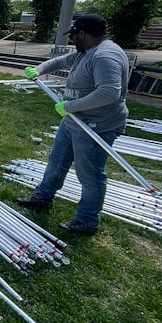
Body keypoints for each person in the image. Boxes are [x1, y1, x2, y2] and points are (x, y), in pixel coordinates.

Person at [15, 13, 130, 236]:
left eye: (74, 36)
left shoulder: (105, 56)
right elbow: (60, 61)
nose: (72, 41)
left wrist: (70, 106)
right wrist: (39, 70)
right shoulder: (85, 51)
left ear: (83, 34)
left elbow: (109, 93)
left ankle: (87, 220)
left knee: (90, 174)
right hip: (75, 120)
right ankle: (43, 198)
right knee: (57, 161)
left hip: (95, 125)